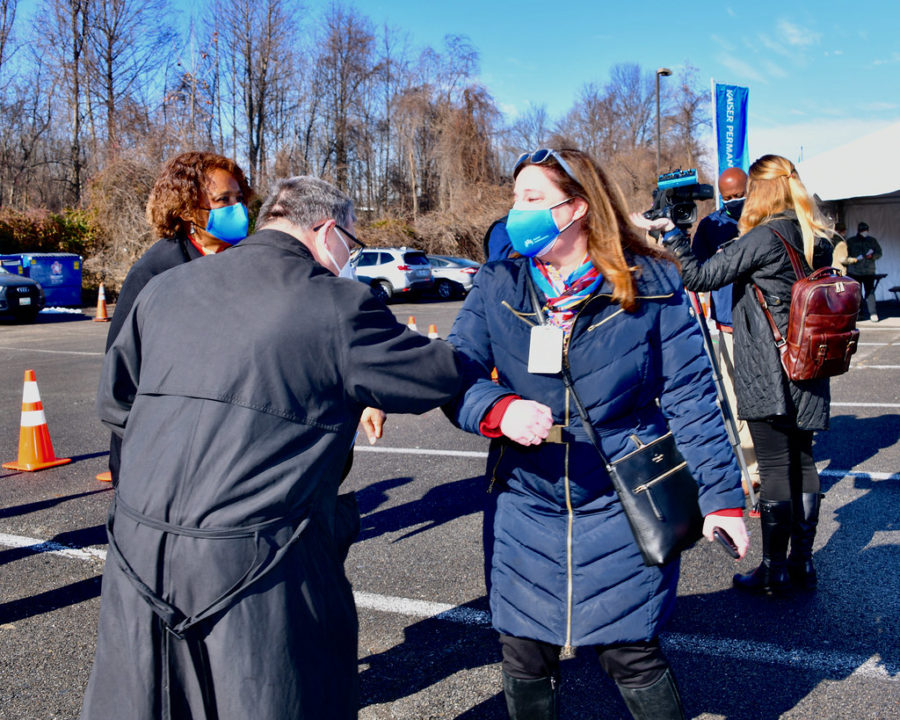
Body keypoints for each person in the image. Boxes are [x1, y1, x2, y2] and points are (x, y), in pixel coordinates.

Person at [83, 176, 464, 719]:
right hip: (254, 560)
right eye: (351, 246)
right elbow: (435, 374)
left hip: (136, 546)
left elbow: (117, 402)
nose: (348, 258)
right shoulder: (333, 301)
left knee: (147, 700)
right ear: (328, 231)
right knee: (269, 696)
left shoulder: (168, 287)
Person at [446, 148, 749, 720]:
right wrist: (498, 408)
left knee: (629, 650)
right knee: (522, 653)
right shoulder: (498, 281)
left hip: (622, 499)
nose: (516, 212)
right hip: (524, 501)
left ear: (577, 208)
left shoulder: (653, 284)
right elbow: (455, 373)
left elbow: (691, 396)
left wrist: (723, 497)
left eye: (531, 199)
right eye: (515, 198)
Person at [638, 154, 835, 597]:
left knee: (776, 466)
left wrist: (671, 233)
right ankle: (801, 563)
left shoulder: (764, 237)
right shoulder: (815, 236)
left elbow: (699, 276)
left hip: (768, 367)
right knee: (803, 461)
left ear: (761, 190)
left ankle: (773, 569)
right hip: (808, 364)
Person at [102, 151, 253, 484]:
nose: (237, 209)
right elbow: (122, 377)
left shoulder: (248, 261)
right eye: (222, 200)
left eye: (239, 198)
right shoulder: (155, 272)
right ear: (187, 210)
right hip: (159, 456)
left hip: (221, 449)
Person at [691, 167, 759, 493]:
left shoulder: (765, 221)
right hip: (727, 326)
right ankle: (752, 467)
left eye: (739, 194)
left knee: (765, 394)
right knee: (733, 399)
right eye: (728, 196)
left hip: (765, 327)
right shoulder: (711, 225)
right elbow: (696, 269)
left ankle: (779, 459)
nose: (734, 201)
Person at [845, 221, 883, 321]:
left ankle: (873, 313)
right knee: (857, 294)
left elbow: (879, 253)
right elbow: (845, 256)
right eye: (863, 230)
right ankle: (859, 314)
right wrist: (853, 260)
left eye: (866, 230)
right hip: (854, 272)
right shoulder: (851, 241)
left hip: (868, 271)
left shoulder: (872, 241)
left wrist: (873, 256)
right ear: (859, 230)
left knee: (870, 292)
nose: (864, 232)